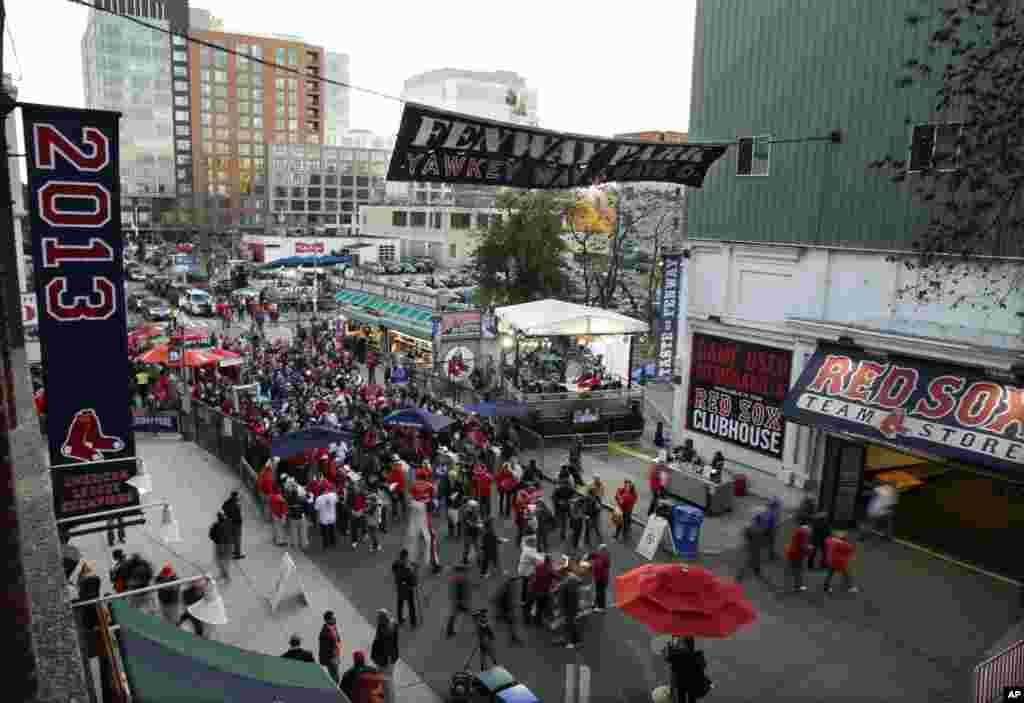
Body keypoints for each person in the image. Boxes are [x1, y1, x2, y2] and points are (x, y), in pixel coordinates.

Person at [665, 636, 712, 703]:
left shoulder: (676, 652)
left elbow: (669, 658)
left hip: (681, 679)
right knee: (689, 696)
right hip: (689, 679)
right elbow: (702, 665)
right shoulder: (692, 654)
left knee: (682, 696)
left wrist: (669, 646)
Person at [370, 610, 400, 703]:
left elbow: (379, 645)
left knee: (388, 682)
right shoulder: (393, 624)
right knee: (388, 679)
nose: (377, 620)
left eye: (379, 618)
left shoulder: (383, 631)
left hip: (385, 660)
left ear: (382, 619)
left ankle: (390, 700)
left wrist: (375, 657)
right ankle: (388, 697)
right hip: (392, 657)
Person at [557, 559, 583, 649]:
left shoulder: (568, 581)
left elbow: (566, 592)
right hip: (571, 605)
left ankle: (574, 642)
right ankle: (568, 639)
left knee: (571, 624)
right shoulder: (571, 578)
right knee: (569, 624)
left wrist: (559, 587)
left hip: (570, 606)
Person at [823, 530, 859, 594]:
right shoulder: (843, 544)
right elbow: (850, 548)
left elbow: (827, 540)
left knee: (830, 574)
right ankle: (850, 587)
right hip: (839, 562)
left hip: (830, 560)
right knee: (847, 574)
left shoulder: (830, 541)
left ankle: (826, 586)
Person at [444, 561, 473, 638]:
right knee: (472, 613)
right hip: (460, 601)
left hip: (457, 601)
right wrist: (462, 601)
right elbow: (462, 591)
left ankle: (449, 631)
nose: (466, 572)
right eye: (464, 570)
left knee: (453, 616)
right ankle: (449, 631)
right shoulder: (461, 578)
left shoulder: (454, 577)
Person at [391, 548, 419, 627]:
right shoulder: (407, 570)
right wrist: (415, 571)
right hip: (408, 589)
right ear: (405, 557)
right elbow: (414, 582)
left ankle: (400, 619)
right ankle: (413, 622)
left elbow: (394, 568)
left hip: (400, 588)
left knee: (400, 603)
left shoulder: (396, 564)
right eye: (407, 557)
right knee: (411, 606)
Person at [527, 554, 556, 626]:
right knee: (545, 604)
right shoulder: (549, 569)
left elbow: (533, 576)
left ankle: (537, 620)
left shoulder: (538, 566)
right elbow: (555, 575)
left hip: (534, 589)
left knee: (539, 605)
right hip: (542, 591)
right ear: (549, 562)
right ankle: (545, 619)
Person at [785, 523, 812, 592]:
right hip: (796, 555)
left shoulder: (798, 531)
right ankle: (798, 586)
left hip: (792, 553)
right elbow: (803, 546)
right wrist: (809, 548)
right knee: (798, 571)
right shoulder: (803, 534)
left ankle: (796, 585)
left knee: (795, 570)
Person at [319, 610, 342, 684]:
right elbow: (324, 649)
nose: (335, 619)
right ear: (328, 620)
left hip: (335, 656)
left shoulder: (333, 627)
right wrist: (331, 660)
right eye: (333, 618)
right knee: (335, 678)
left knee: (336, 676)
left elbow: (337, 639)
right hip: (331, 659)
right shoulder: (324, 633)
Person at [209, 511, 234, 582]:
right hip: (229, 544)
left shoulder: (215, 525)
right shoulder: (229, 523)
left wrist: (216, 540)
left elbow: (211, 535)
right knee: (227, 560)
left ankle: (224, 574)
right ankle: (225, 573)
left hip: (219, 545)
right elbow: (233, 532)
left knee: (218, 560)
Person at [222, 491, 245, 559]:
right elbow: (236, 511)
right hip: (236, 523)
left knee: (232, 537)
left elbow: (223, 507)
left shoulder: (228, 502)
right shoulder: (235, 504)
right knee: (237, 538)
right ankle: (237, 554)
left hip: (230, 522)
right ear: (235, 496)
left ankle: (232, 551)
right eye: (237, 496)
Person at [588, 544, 611, 612]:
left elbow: (598, 566)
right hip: (602, 577)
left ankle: (601, 607)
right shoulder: (604, 555)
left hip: (601, 577)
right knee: (599, 591)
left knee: (600, 592)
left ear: (602, 550)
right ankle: (596, 603)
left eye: (599, 549)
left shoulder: (602, 557)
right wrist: (590, 555)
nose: (598, 550)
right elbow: (595, 554)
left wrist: (591, 566)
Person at [315, 483, 338, 549]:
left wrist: (317, 519)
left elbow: (317, 509)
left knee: (324, 532)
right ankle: (332, 542)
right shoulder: (333, 495)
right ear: (327, 489)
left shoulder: (318, 498)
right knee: (332, 530)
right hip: (332, 516)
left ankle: (325, 544)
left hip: (323, 517)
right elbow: (336, 502)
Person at [287, 483, 310, 550]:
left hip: (293, 517)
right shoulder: (301, 498)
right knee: (303, 532)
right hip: (301, 516)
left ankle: (295, 545)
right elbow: (307, 505)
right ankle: (304, 545)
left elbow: (288, 508)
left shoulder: (289, 499)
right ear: (297, 492)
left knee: (294, 532)